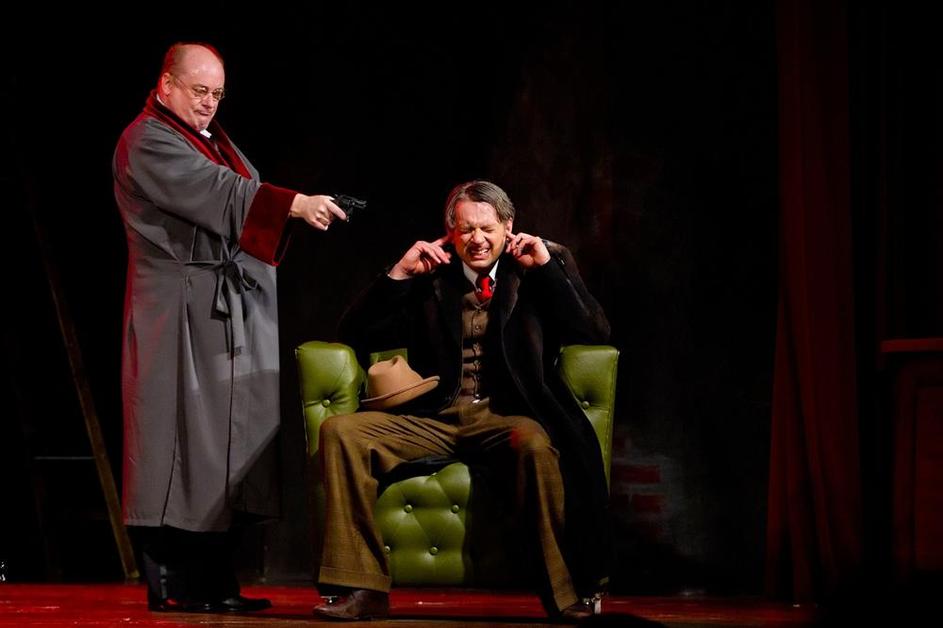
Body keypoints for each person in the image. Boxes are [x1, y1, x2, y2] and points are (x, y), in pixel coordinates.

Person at [112, 42, 347, 613]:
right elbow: (216, 191)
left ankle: (216, 583)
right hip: (179, 313)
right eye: (199, 91)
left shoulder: (211, 139)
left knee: (226, 446)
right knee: (183, 440)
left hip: (222, 309)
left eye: (217, 94)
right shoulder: (147, 140)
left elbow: (237, 188)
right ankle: (177, 586)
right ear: (166, 84)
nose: (209, 103)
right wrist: (292, 204)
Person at [313, 180, 611, 621]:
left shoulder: (535, 267)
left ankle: (564, 595)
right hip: (435, 414)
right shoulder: (431, 275)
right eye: (466, 229)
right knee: (341, 432)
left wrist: (549, 268)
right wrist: (398, 275)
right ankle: (364, 588)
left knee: (535, 445)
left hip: (507, 414)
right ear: (451, 232)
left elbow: (594, 331)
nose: (477, 240)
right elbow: (354, 333)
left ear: (508, 226)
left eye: (487, 228)